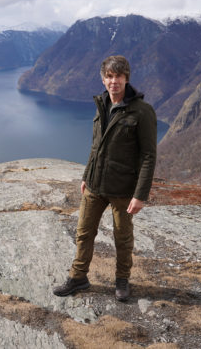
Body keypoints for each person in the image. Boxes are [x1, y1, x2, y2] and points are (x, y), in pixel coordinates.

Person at [53, 55, 157, 301]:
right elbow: (95, 146)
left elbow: (148, 156)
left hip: (123, 189)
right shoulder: (101, 104)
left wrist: (140, 195)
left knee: (122, 238)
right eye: (109, 76)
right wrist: (86, 176)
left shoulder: (142, 112)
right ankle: (78, 278)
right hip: (95, 186)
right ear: (103, 79)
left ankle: (122, 281)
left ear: (126, 78)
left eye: (118, 76)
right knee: (84, 233)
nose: (114, 81)